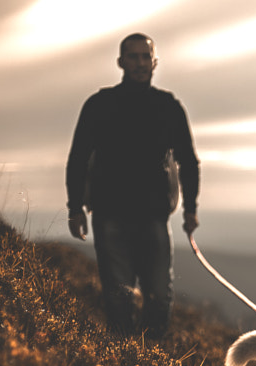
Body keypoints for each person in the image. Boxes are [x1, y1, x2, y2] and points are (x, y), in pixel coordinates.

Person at [66, 33, 200, 338]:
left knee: (159, 299)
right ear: (120, 62)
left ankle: (147, 363)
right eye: (133, 56)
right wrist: (75, 209)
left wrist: (191, 209)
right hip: (109, 216)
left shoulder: (168, 107)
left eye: (145, 56)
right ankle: (124, 364)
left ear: (154, 62)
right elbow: (77, 158)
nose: (140, 63)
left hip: (153, 217)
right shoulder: (99, 105)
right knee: (118, 298)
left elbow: (188, 162)